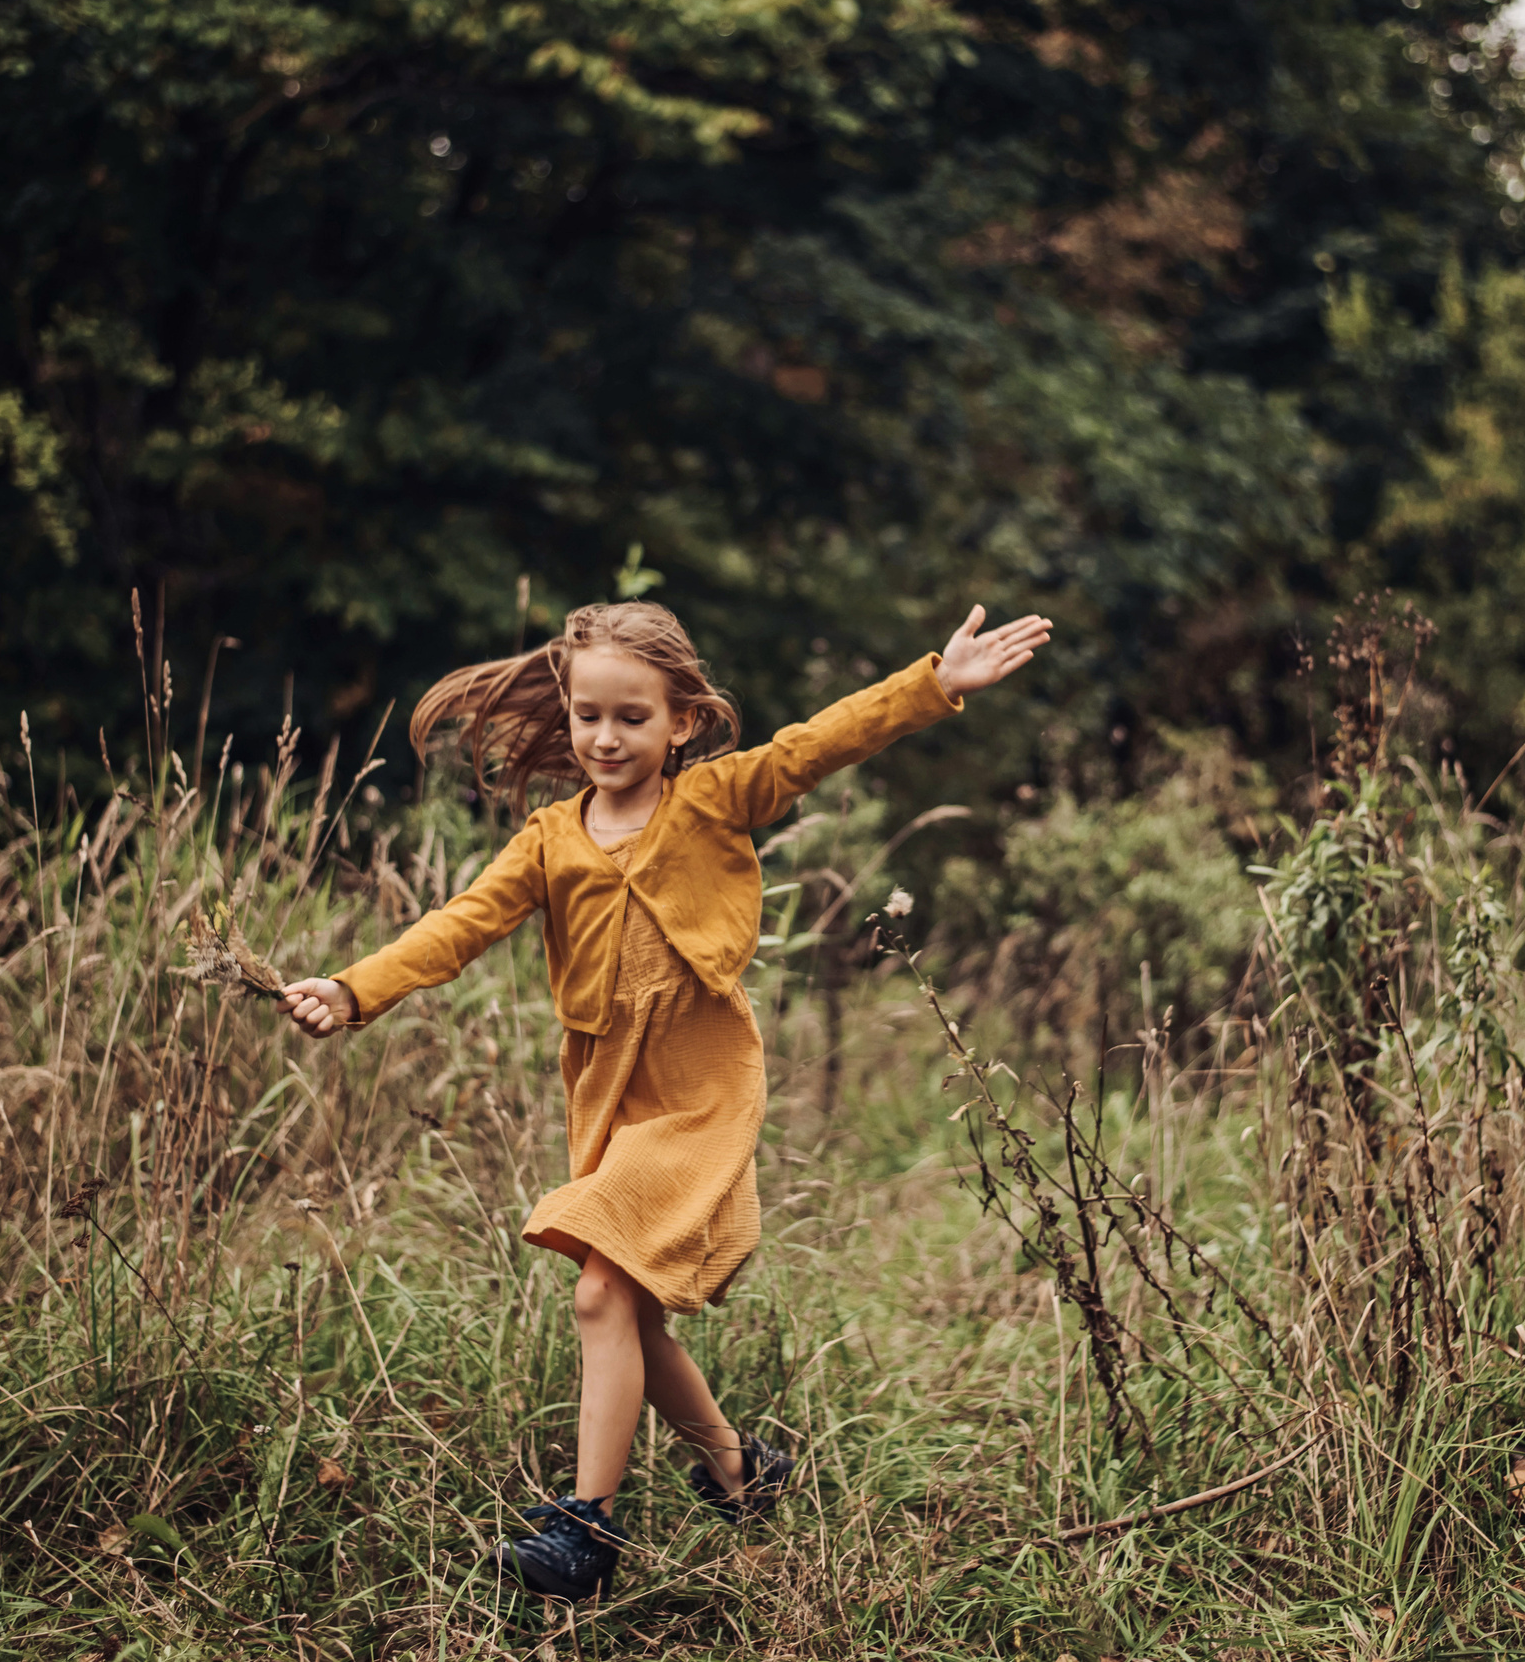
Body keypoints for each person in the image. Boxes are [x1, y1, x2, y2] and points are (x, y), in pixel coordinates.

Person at [276, 599, 1051, 1601]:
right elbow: (458, 924)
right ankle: (739, 1469)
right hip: (608, 1090)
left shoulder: (717, 798)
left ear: (680, 720)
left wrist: (934, 684)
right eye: (590, 714)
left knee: (600, 1289)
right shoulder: (550, 837)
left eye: (632, 717)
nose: (606, 736)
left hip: (700, 1081)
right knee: (632, 1315)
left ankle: (586, 1527)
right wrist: (352, 986)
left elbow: (817, 743)